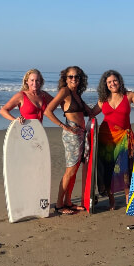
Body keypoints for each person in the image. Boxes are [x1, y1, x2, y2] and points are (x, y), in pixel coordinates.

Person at [91, 70, 134, 210]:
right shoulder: (103, 99)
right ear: (106, 84)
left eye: (114, 80)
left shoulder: (129, 95)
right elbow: (90, 113)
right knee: (108, 169)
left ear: (119, 81)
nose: (112, 83)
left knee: (125, 169)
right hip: (106, 138)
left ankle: (128, 200)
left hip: (124, 138)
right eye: (109, 82)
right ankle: (112, 201)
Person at [44, 66, 93, 215]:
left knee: (75, 170)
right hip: (72, 134)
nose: (74, 79)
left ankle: (68, 202)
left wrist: (109, 99)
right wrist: (64, 126)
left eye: (77, 76)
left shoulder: (77, 94)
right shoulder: (65, 92)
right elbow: (47, 111)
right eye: (70, 76)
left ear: (80, 79)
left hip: (81, 133)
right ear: (65, 79)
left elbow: (90, 112)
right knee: (70, 171)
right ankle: (59, 205)